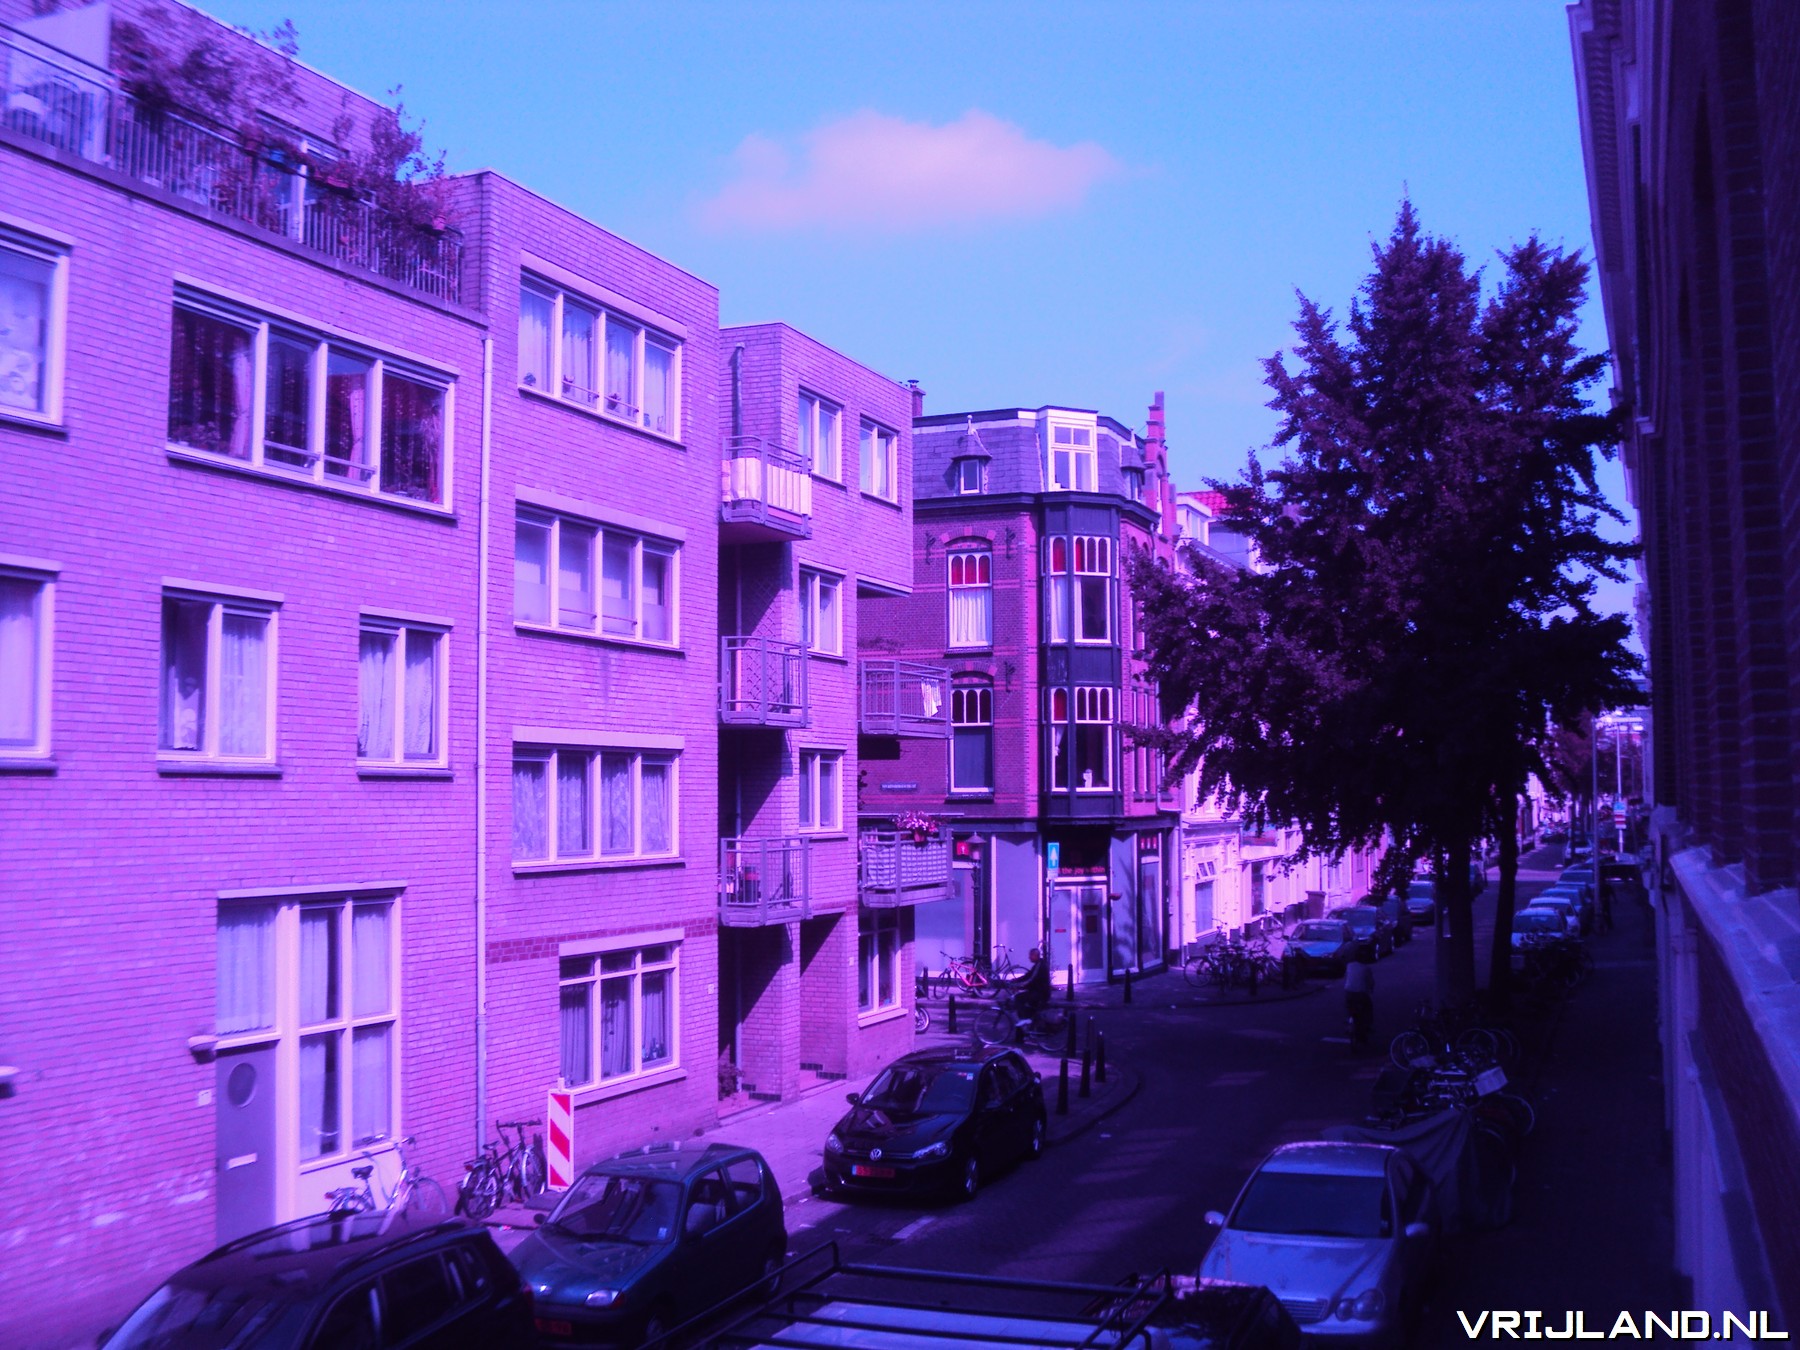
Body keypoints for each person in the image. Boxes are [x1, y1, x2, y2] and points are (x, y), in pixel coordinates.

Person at [1344, 948, 1375, 1049]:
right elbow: (1370, 982)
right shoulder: (1366, 968)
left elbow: (1346, 977)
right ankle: (1367, 1026)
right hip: (1361, 994)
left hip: (1349, 992)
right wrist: (1371, 989)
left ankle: (1349, 1021)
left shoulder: (1349, 966)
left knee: (1349, 1008)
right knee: (1367, 1009)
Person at [1012, 947, 1052, 1023]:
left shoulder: (1040, 966)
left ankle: (1024, 1020)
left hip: (1041, 993)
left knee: (1018, 998)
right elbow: (1028, 975)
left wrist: (1019, 986)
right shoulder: (1038, 964)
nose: (1029, 957)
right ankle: (1031, 1018)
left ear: (1036, 956)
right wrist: (1015, 980)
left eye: (1031, 955)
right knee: (1025, 999)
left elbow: (1031, 980)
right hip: (1038, 991)